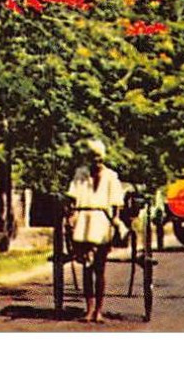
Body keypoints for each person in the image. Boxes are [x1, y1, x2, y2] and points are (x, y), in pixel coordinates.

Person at [65, 137, 125, 323]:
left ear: (103, 159)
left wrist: (115, 218)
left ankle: (98, 310)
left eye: (99, 159)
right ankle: (89, 309)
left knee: (99, 268)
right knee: (87, 268)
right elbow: (73, 197)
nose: (96, 162)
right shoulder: (80, 174)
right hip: (84, 220)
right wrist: (72, 215)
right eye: (93, 158)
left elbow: (116, 203)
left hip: (102, 220)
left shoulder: (111, 176)